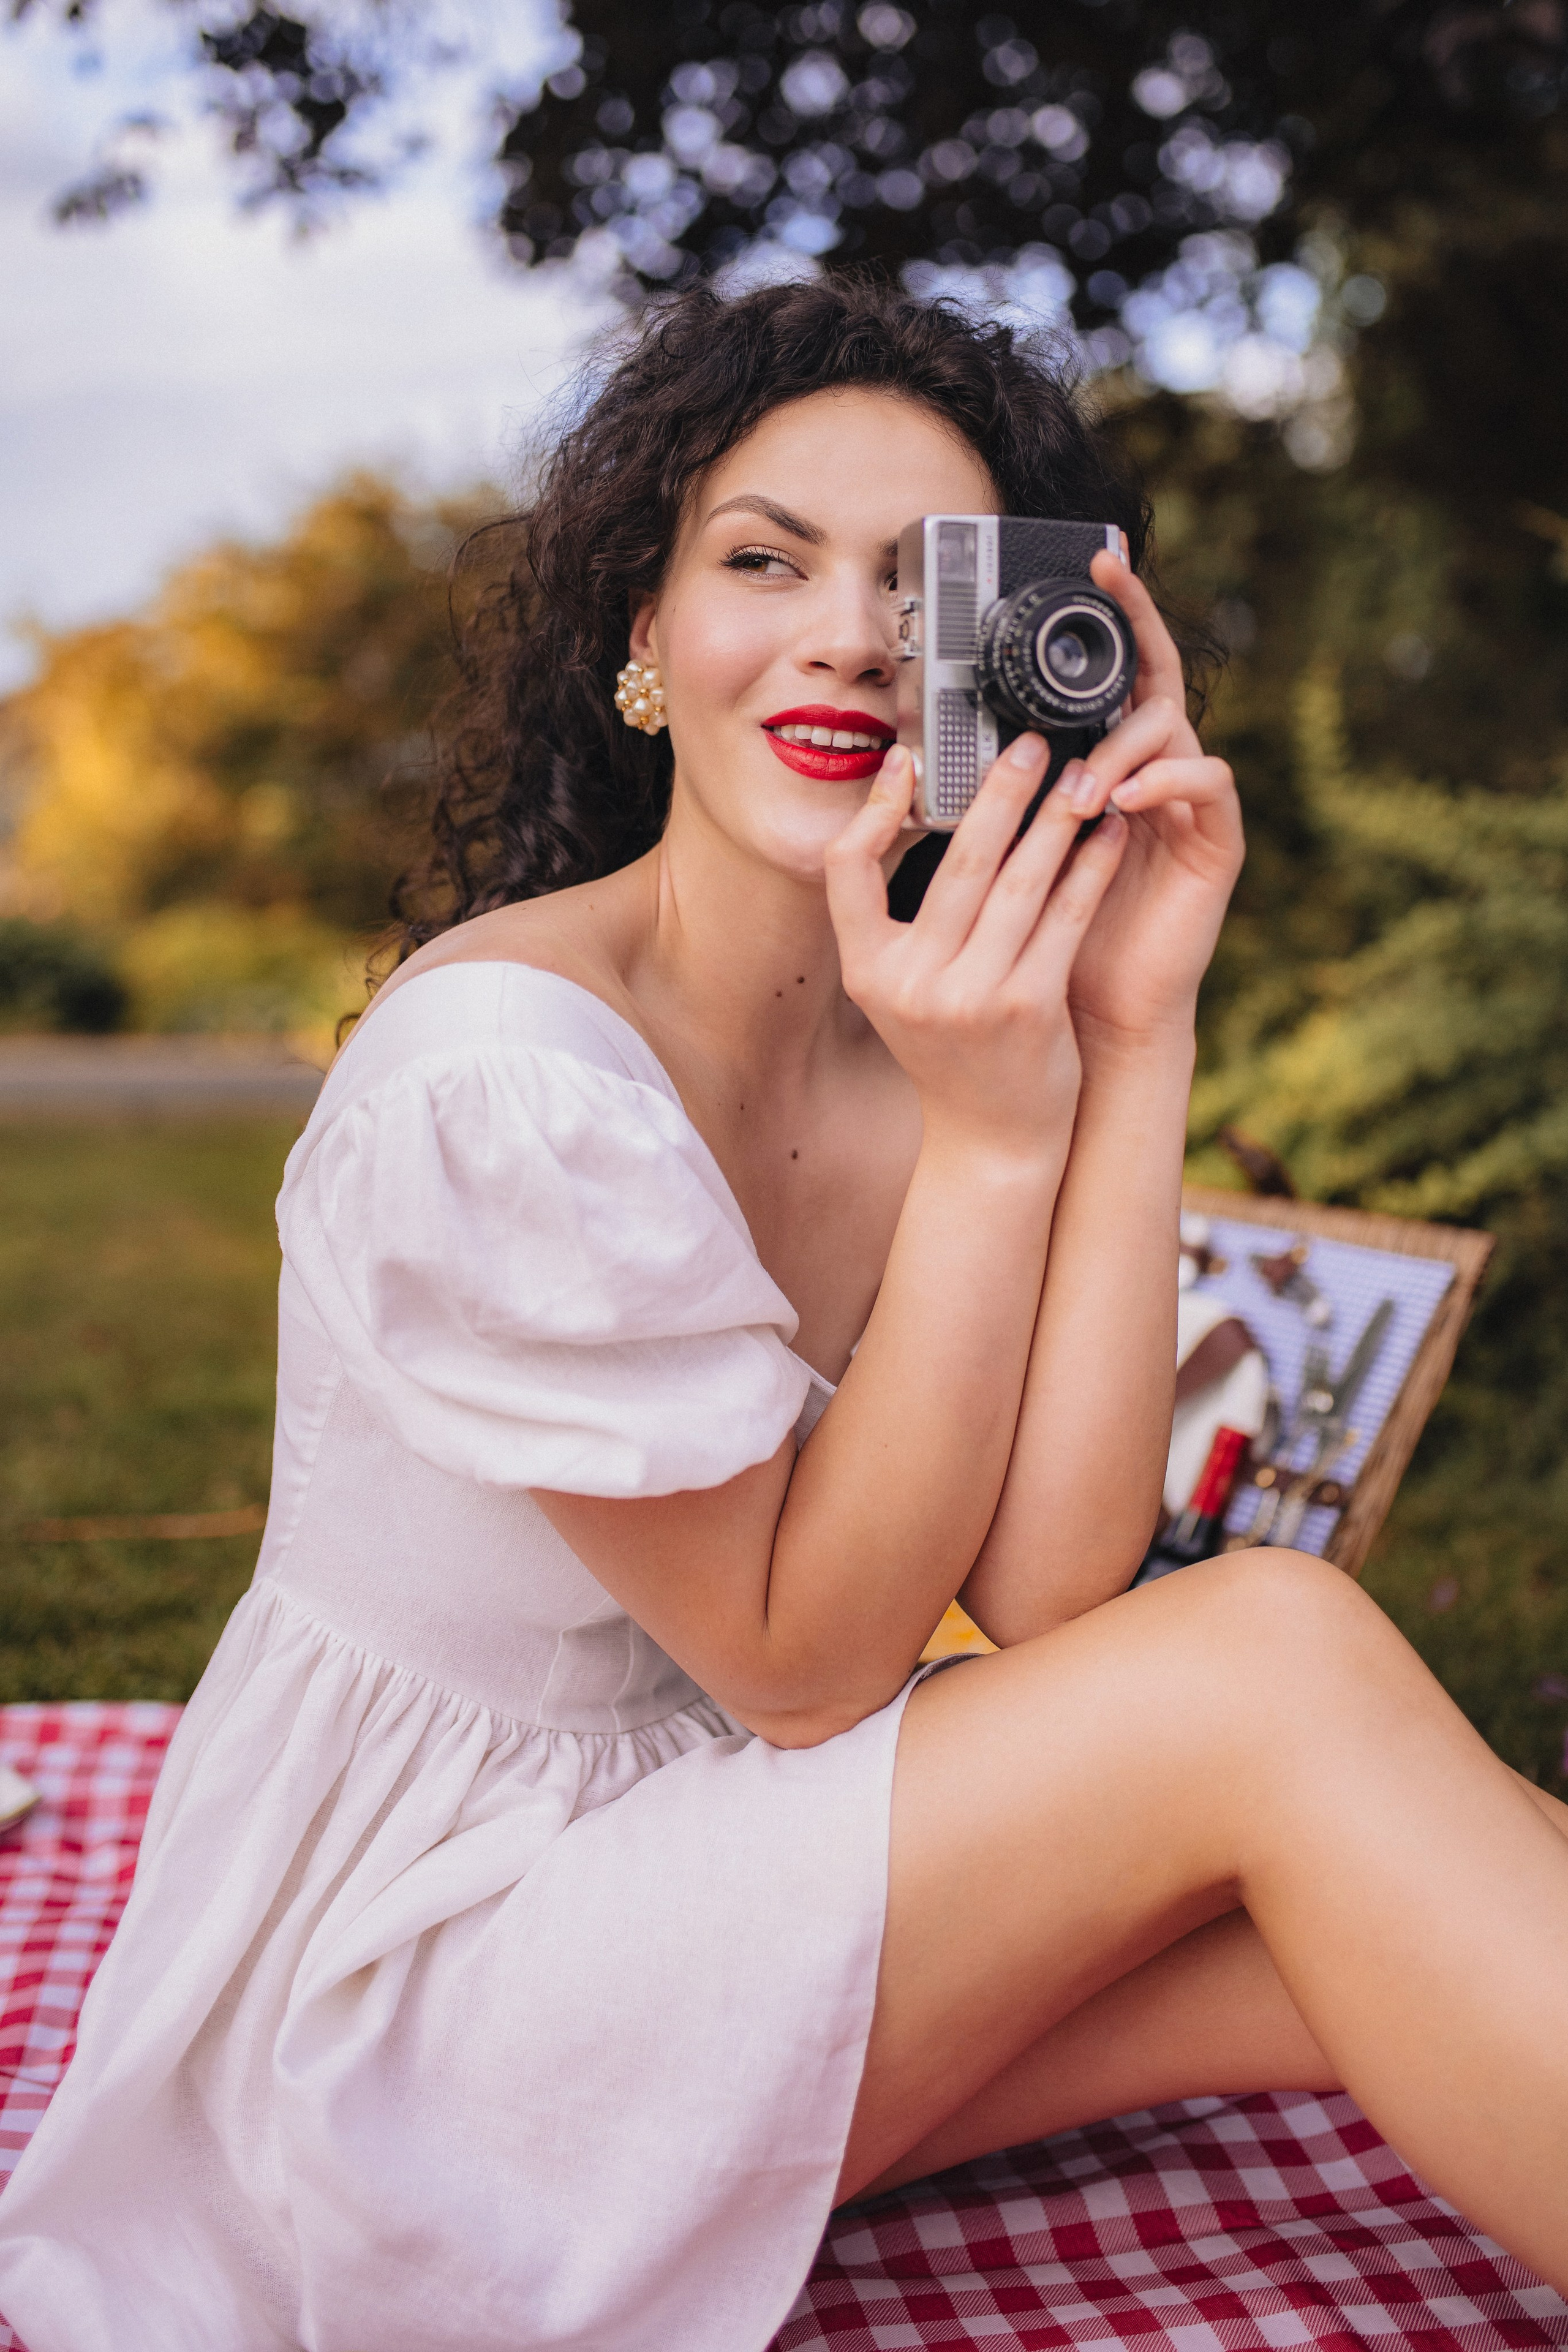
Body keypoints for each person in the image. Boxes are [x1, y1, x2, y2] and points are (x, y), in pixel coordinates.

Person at [0, 279, 1564, 2352]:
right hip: (412, 2021)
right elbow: (817, 1667)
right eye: (765, 560)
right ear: (642, 637)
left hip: (688, 1907)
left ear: (1029, 657)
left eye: (930, 585)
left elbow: (1056, 1595)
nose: (851, 634)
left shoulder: (917, 1034)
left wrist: (1135, 1025)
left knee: (1387, 1903)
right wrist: (1002, 1147)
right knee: (1279, 1657)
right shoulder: (506, 1076)